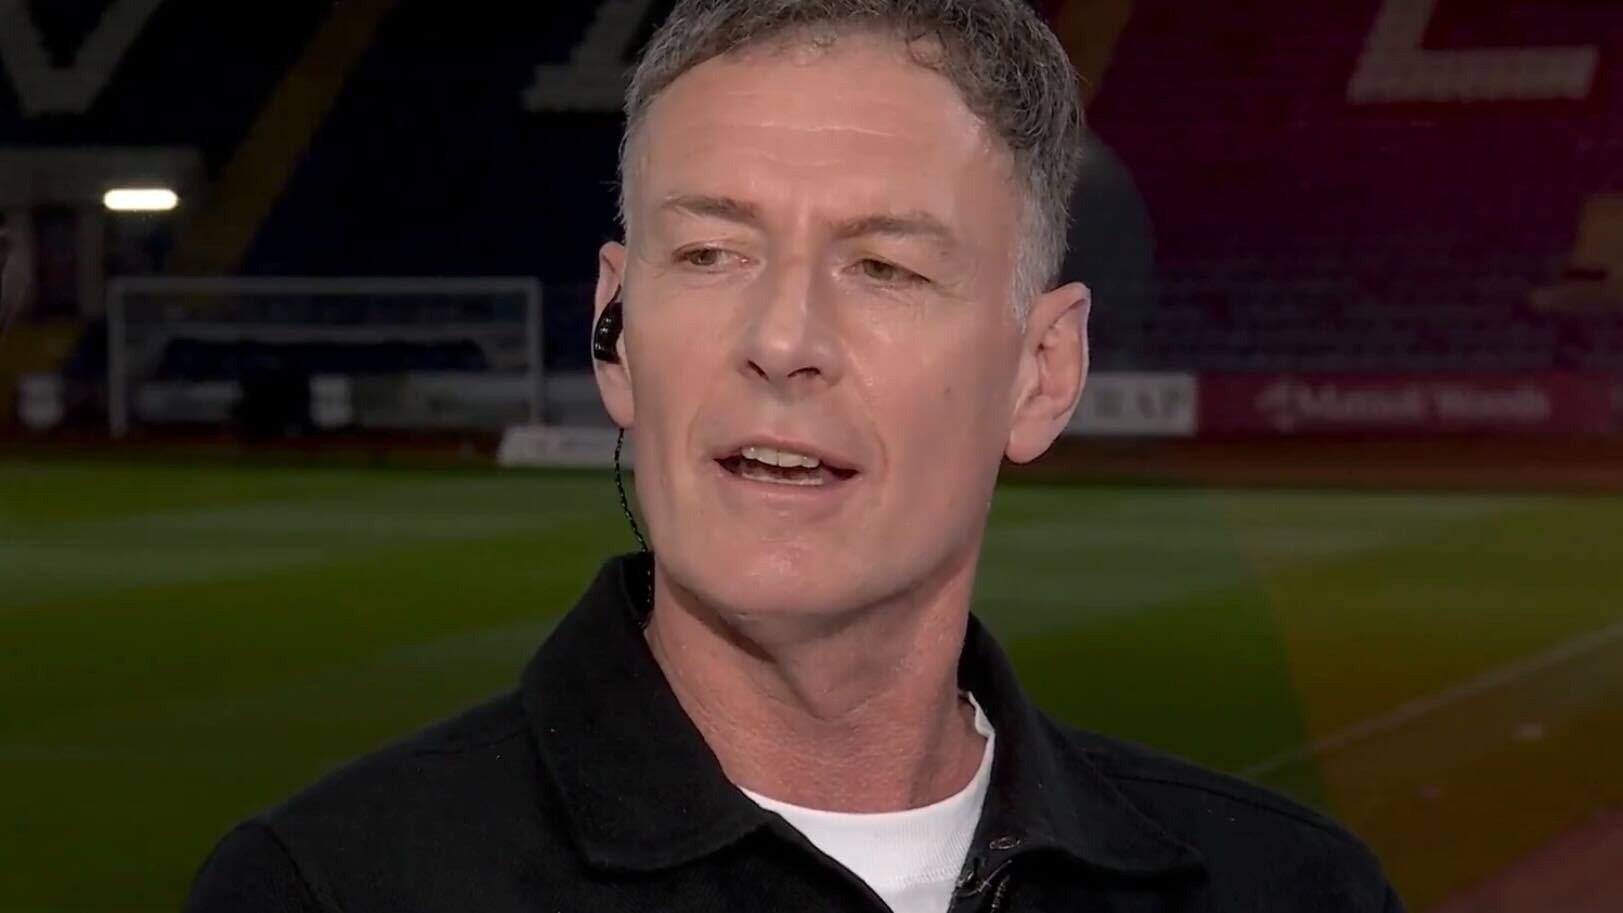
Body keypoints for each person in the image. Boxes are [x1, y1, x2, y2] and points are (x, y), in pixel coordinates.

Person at [185, 1, 1405, 910]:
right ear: (618, 330)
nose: (781, 339)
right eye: (711, 254)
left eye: (885, 267)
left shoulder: (1292, 890)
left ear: (1042, 372)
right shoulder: (329, 891)